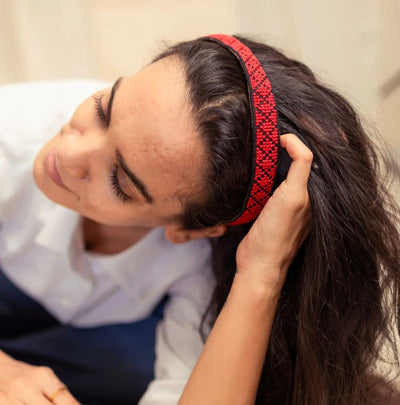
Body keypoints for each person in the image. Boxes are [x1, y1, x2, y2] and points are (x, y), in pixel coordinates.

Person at [0, 33, 398, 405]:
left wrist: (262, 271)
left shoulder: (202, 268)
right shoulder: (13, 132)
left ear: (192, 230)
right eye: (104, 110)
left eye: (120, 182)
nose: (67, 153)